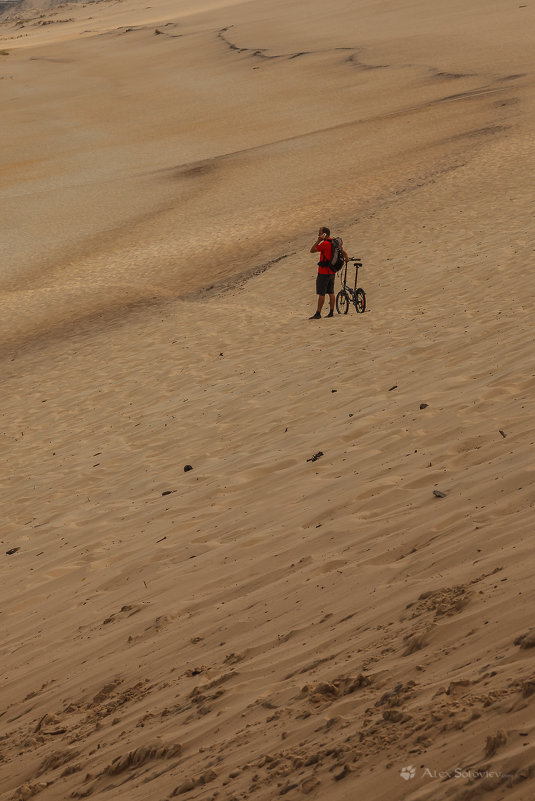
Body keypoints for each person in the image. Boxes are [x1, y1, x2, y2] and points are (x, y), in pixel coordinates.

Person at [309, 226, 348, 319]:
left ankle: (318, 313)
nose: (318, 234)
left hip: (323, 272)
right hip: (332, 272)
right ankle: (331, 312)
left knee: (321, 293)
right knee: (331, 292)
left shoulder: (325, 243)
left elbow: (312, 250)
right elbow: (344, 252)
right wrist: (347, 259)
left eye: (320, 232)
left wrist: (318, 241)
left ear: (324, 234)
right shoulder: (335, 243)